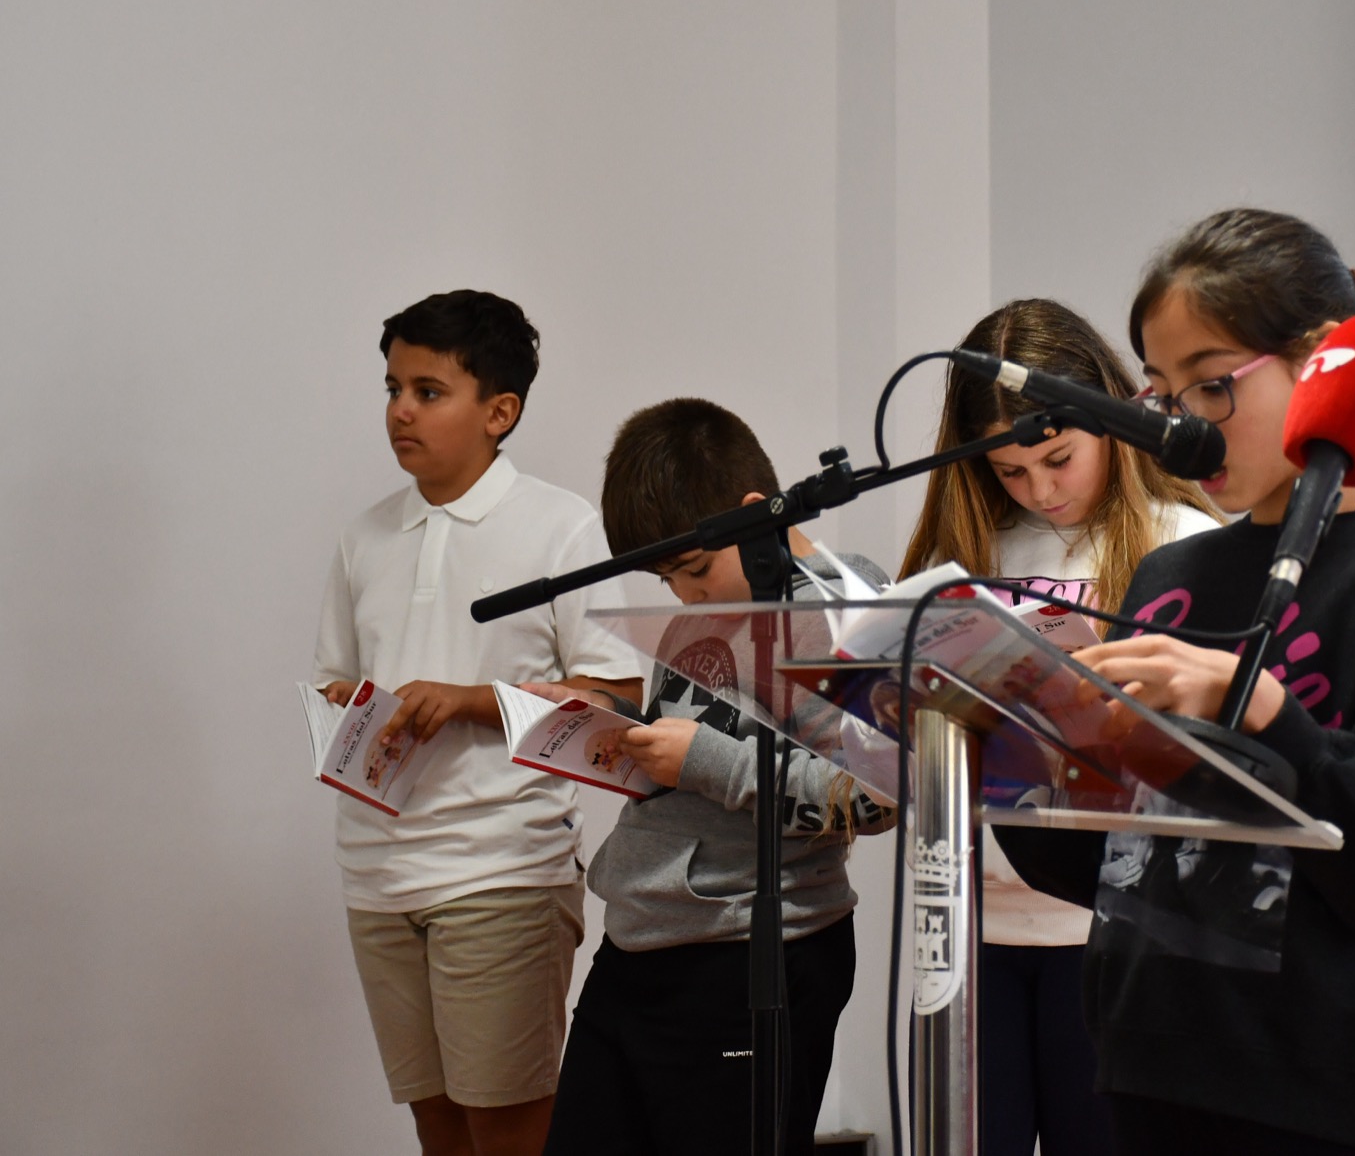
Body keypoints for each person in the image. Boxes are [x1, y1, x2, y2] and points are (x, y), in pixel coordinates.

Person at [996, 209, 1355, 1156]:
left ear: (1327, 361)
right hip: (1147, 1069)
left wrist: (1264, 706)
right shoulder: (1170, 576)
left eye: (1212, 384)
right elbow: (1110, 860)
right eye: (1164, 394)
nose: (1182, 427)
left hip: (1316, 1094)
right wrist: (1005, 747)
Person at [311, 290, 643, 1156]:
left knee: (508, 1127)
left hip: (502, 868)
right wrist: (353, 707)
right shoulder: (365, 536)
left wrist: (472, 700)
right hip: (376, 873)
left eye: (428, 391)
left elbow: (616, 698)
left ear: (500, 411)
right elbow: (335, 678)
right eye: (392, 388)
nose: (400, 411)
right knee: (437, 1122)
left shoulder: (560, 525)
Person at [537, 397, 896, 1156]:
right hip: (640, 936)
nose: (686, 594)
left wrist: (703, 760)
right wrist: (603, 727)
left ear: (752, 510)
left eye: (695, 569)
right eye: (668, 578)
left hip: (752, 949)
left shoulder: (843, 604)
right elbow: (689, 754)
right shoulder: (697, 614)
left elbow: (874, 796)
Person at [901, 298, 1219, 1156]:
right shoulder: (964, 555)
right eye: (1009, 471)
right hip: (969, 926)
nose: (1041, 490)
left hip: (1115, 932)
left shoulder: (1187, 543)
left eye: (1058, 458)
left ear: (1112, 418)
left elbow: (1217, 756)